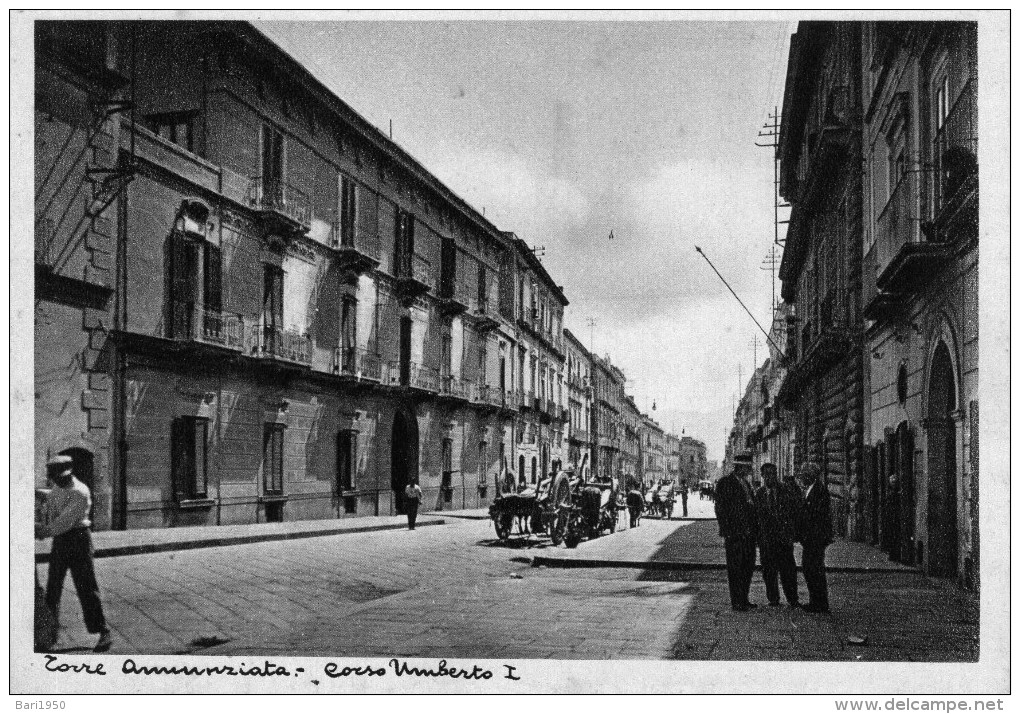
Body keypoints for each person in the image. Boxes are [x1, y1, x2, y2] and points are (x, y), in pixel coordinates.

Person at [35, 454, 113, 652]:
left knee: (86, 587)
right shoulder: (58, 487)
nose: (58, 481)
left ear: (70, 473)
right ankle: (47, 636)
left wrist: (42, 531)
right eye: (55, 477)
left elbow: (63, 522)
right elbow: (53, 499)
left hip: (78, 539)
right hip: (61, 541)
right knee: (53, 588)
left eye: (61, 477)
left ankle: (103, 631)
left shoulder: (80, 492)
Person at [714, 453, 759, 611]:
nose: (750, 469)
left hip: (748, 534)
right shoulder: (725, 483)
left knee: (747, 566)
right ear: (740, 466)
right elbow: (720, 509)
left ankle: (744, 598)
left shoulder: (746, 483)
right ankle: (737, 601)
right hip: (734, 533)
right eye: (748, 467)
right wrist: (726, 530)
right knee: (735, 568)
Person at [755, 463, 801, 608]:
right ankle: (773, 599)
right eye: (767, 475)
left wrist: (791, 533)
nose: (770, 477)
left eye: (773, 474)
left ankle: (792, 599)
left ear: (776, 474)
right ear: (762, 476)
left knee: (788, 570)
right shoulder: (759, 494)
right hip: (766, 540)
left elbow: (794, 512)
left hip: (783, 539)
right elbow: (756, 517)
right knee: (769, 571)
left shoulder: (786, 490)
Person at [797, 462, 833, 614]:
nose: (801, 477)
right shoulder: (812, 489)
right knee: (810, 569)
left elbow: (817, 516)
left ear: (811, 475)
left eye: (804, 474)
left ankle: (819, 603)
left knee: (814, 569)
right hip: (812, 538)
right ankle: (816, 601)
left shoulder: (819, 491)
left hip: (815, 538)